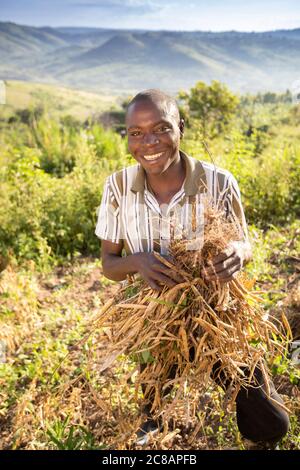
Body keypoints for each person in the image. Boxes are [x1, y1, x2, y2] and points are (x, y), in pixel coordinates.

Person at [95, 89, 289, 449]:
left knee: (271, 421)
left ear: (180, 128)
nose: (148, 142)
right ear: (127, 138)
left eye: (161, 128)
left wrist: (236, 253)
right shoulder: (117, 187)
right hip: (156, 321)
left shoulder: (218, 182)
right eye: (135, 133)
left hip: (217, 315)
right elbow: (109, 263)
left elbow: (244, 244)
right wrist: (137, 262)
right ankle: (156, 422)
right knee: (151, 421)